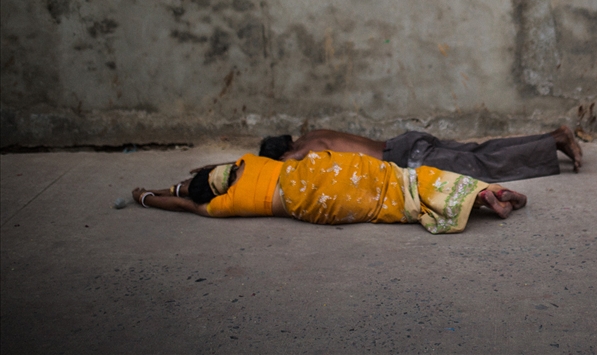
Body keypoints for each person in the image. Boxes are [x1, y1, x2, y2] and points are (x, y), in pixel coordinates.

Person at [132, 150, 528, 235]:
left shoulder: (224, 206)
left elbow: (186, 199)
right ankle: (478, 191)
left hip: (319, 200)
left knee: (392, 202)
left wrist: (148, 197)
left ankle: (469, 203)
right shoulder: (250, 161)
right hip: (334, 168)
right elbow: (203, 176)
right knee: (402, 178)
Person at [257, 125, 583, 183]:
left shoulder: (303, 150)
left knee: (484, 167)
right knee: (478, 151)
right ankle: (555, 137)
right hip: (404, 143)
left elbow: (275, 169)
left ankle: (554, 141)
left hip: (406, 159)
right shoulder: (313, 134)